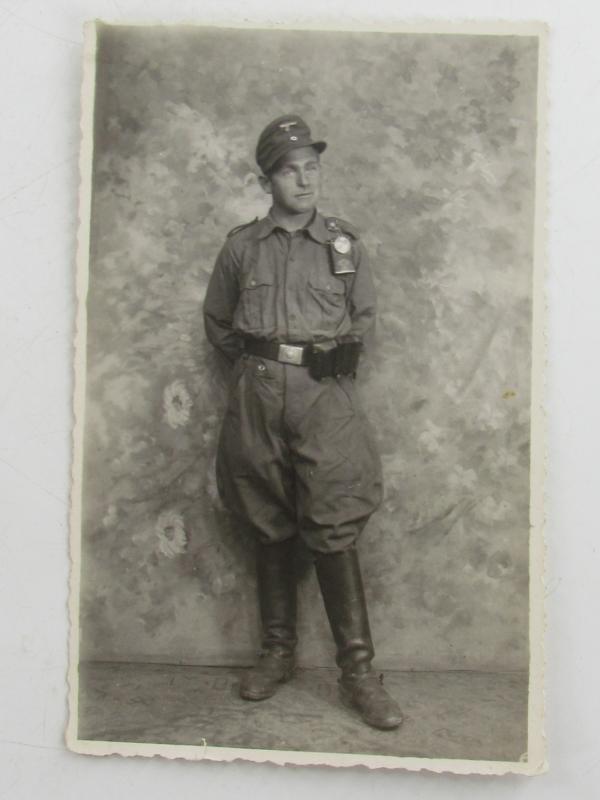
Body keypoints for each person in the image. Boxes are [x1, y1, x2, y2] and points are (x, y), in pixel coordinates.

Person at [203, 114, 403, 730]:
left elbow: (363, 320)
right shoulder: (242, 247)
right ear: (268, 178)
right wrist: (264, 371)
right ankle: (277, 654)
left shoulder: (345, 245)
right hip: (259, 397)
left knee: (334, 525)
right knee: (267, 521)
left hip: (326, 398)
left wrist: (318, 367)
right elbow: (219, 323)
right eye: (291, 170)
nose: (305, 179)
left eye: (312, 167)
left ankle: (359, 675)